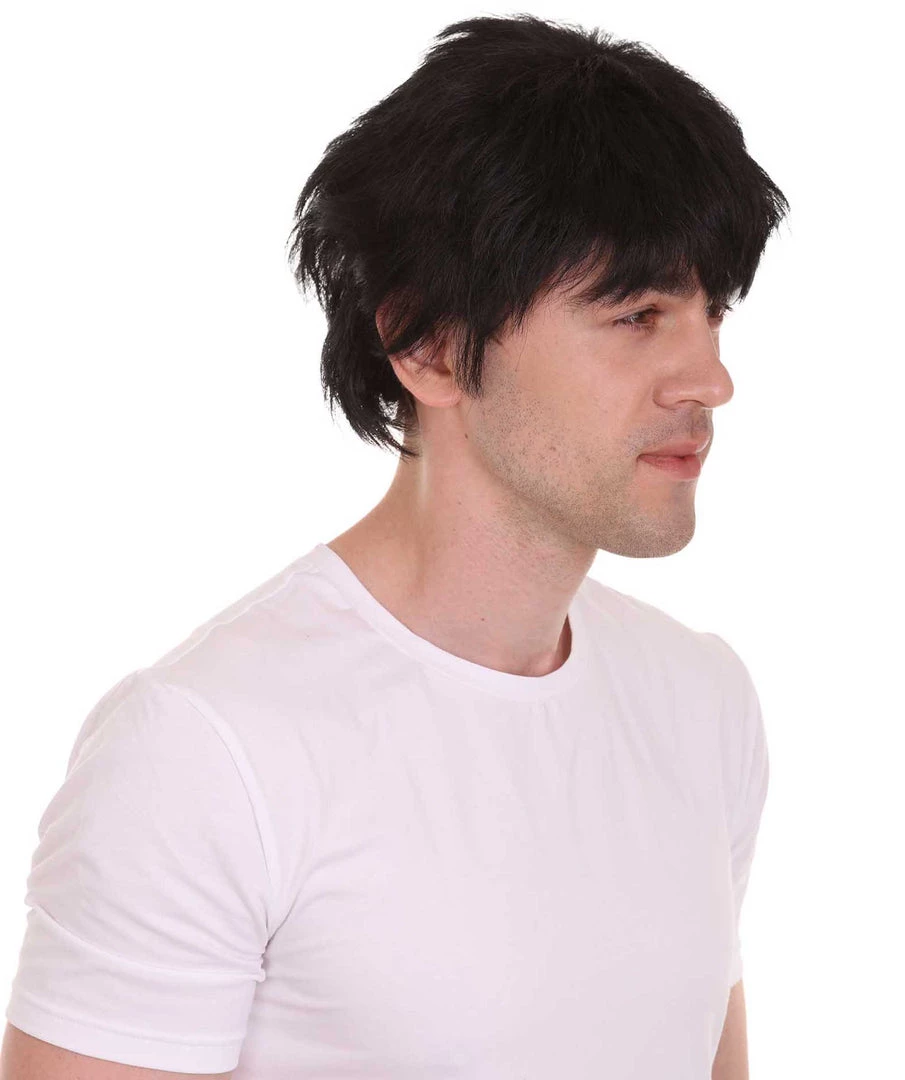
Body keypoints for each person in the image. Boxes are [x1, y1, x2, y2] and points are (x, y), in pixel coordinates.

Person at [1, 14, 788, 1080]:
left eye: (713, 311)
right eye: (637, 315)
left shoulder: (699, 700)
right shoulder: (203, 752)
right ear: (428, 345)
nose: (709, 379)